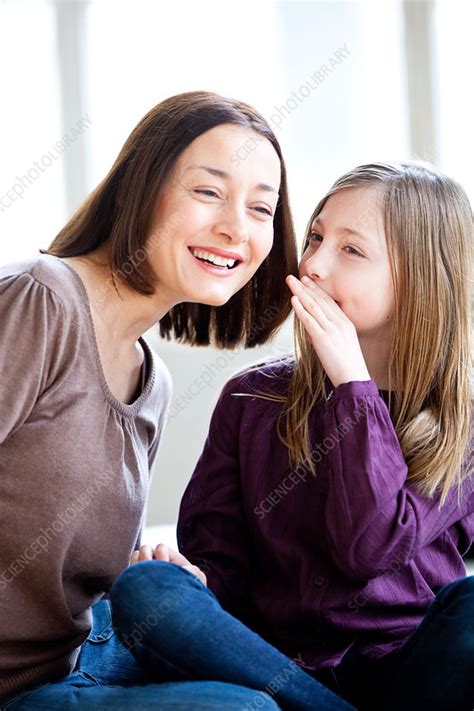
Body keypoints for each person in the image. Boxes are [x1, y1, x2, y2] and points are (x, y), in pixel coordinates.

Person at [111, 161, 473, 711]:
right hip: (272, 665)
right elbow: (221, 572)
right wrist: (195, 579)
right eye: (316, 237)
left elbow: (368, 547)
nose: (313, 265)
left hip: (410, 670)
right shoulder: (251, 398)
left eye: (351, 250)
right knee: (147, 589)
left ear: (422, 277)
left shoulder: (462, 421)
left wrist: (352, 383)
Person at [0, 90, 301, 710]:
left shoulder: (151, 377)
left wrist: (144, 562)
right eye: (208, 192)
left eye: (261, 207)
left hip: (87, 657)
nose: (236, 228)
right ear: (142, 185)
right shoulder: (42, 300)